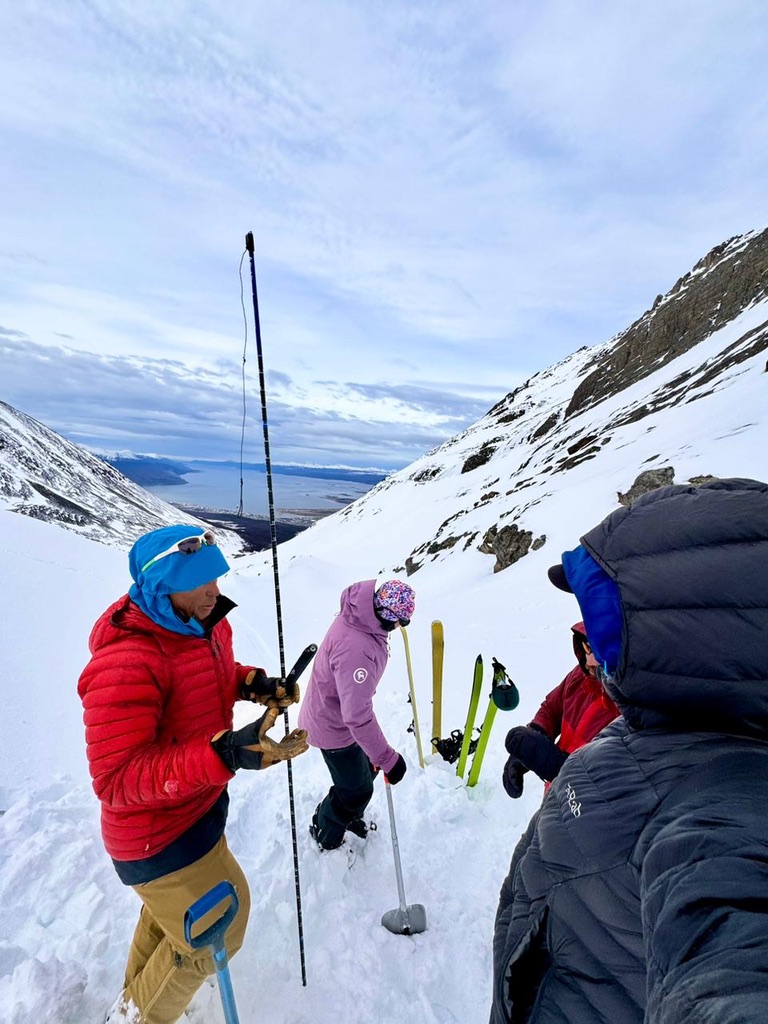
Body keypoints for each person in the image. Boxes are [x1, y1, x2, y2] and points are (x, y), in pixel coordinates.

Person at [491, 478, 768, 1024]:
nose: (592, 649)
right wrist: (532, 741)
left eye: (604, 619)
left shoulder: (723, 800)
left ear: (679, 628)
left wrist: (553, 764)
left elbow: (727, 950)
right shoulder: (648, 709)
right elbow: (552, 707)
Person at [78, 525, 308, 1024]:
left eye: (216, 578)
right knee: (219, 927)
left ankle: (130, 1003)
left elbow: (211, 676)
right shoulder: (128, 660)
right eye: (199, 582)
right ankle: (139, 1019)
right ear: (161, 585)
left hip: (198, 810)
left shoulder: (203, 624)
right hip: (156, 836)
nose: (214, 591)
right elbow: (114, 779)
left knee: (174, 922)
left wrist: (254, 684)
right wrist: (223, 755)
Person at [298, 578, 415, 851]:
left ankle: (346, 814)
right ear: (389, 617)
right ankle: (325, 831)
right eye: (402, 622)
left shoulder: (360, 617)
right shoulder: (357, 650)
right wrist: (388, 759)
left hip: (335, 714)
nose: (401, 628)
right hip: (333, 727)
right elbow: (356, 716)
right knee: (357, 789)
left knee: (365, 771)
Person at [501, 622, 619, 798]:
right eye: (586, 647)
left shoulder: (628, 705)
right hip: (555, 794)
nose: (588, 660)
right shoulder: (581, 675)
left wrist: (556, 766)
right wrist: (535, 736)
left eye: (596, 650)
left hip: (585, 807)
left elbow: (613, 776)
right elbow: (552, 709)